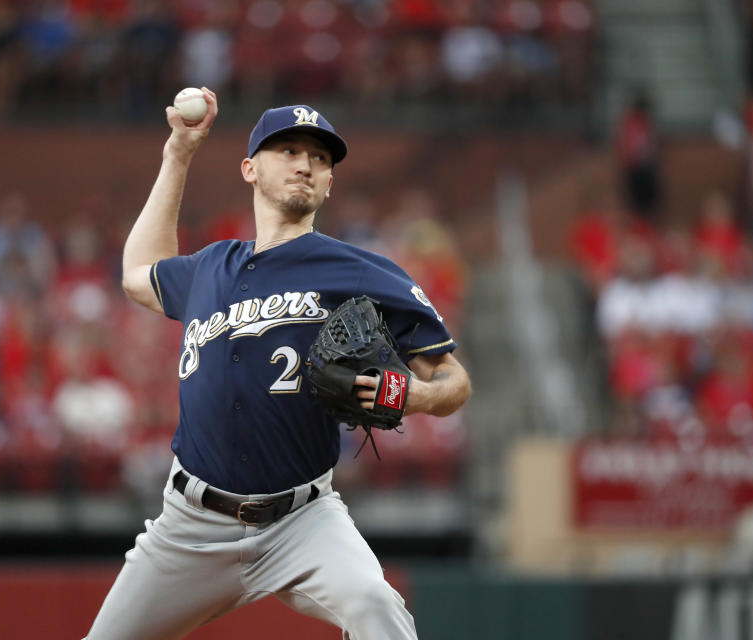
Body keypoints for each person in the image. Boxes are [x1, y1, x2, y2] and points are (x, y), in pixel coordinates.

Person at [85, 89, 472, 640]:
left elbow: (452, 377)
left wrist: (421, 396)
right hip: (191, 525)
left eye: (319, 158)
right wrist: (179, 153)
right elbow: (137, 272)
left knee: (375, 607)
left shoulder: (360, 269)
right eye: (288, 150)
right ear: (250, 168)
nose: (305, 164)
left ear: (329, 182)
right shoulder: (212, 266)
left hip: (303, 519)